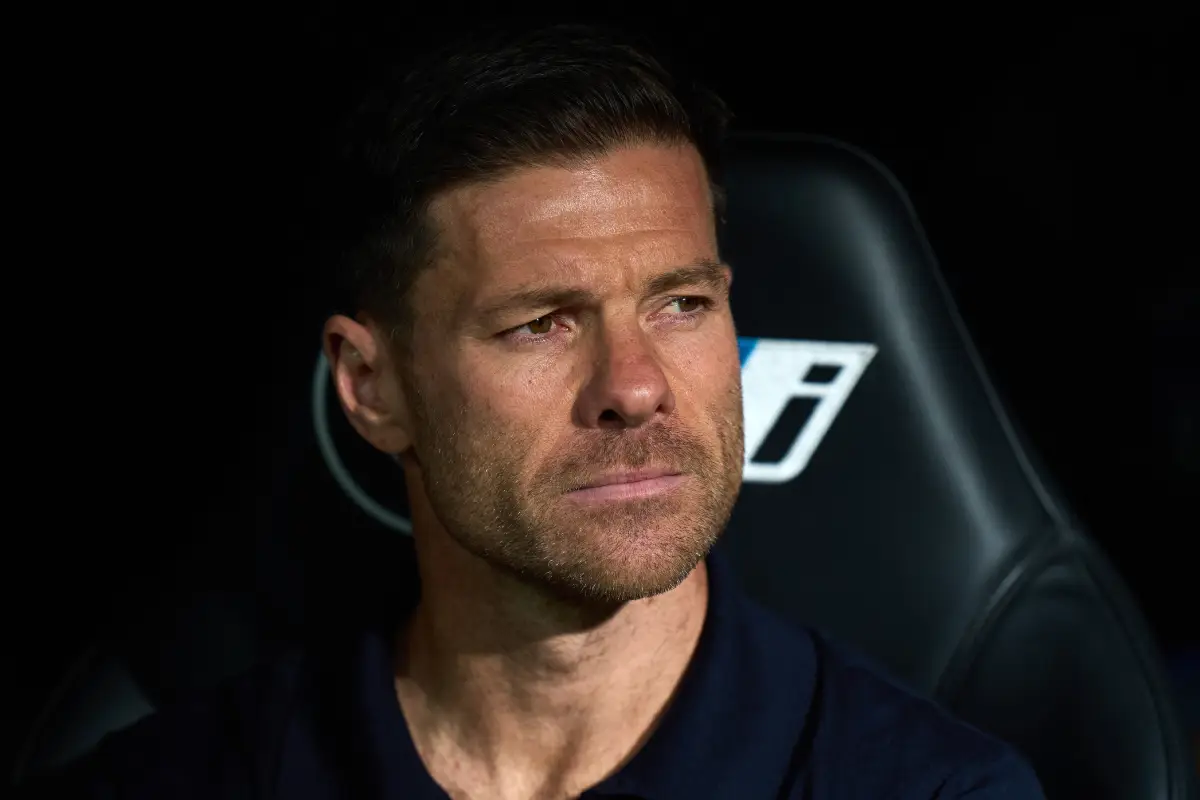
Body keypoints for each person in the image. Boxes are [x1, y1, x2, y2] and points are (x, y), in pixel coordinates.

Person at [16, 23, 1045, 799]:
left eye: (682, 304)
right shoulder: (171, 781)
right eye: (542, 323)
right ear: (372, 387)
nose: (636, 386)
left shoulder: (931, 787)